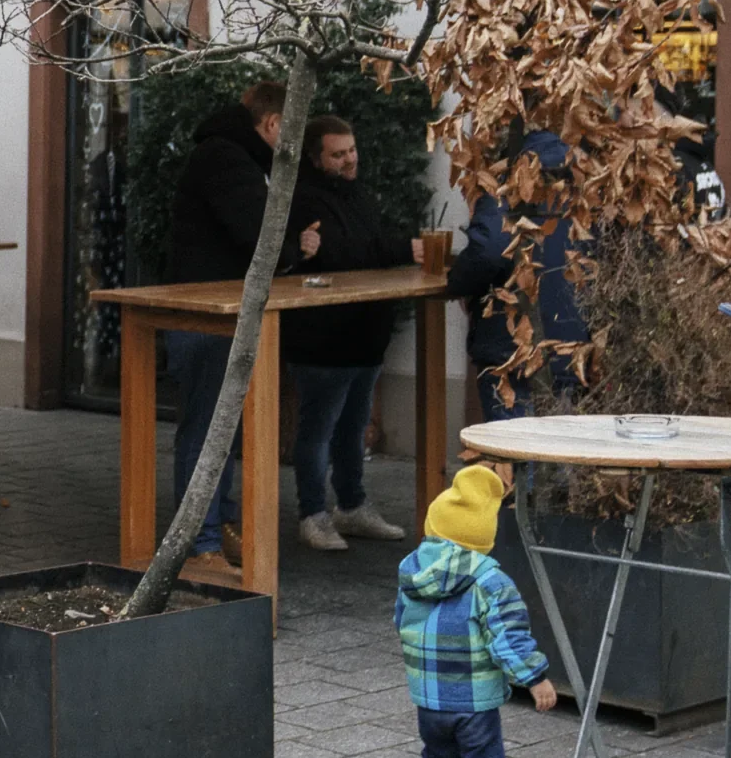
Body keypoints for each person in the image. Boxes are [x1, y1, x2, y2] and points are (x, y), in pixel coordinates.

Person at [163, 81, 317, 560]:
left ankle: (216, 528)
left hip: (218, 308)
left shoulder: (231, 156)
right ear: (272, 124)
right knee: (208, 427)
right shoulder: (229, 158)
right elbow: (257, 233)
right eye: (290, 131)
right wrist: (295, 250)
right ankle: (199, 543)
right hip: (205, 313)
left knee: (219, 427)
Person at [396, 465, 558, 758]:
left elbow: (399, 621)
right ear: (483, 536)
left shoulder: (413, 571)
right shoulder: (490, 581)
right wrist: (535, 677)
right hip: (473, 698)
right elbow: (509, 636)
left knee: (437, 753)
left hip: (428, 695)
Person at [285, 115, 417, 553]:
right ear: (316, 158)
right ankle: (313, 514)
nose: (349, 160)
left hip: (363, 334)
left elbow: (368, 246)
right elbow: (344, 255)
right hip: (323, 339)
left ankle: (352, 505)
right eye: (338, 154)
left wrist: (398, 249)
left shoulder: (357, 194)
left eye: (352, 150)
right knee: (318, 429)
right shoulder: (304, 199)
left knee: (353, 427)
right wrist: (403, 249)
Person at [448, 131, 586, 421]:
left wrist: (458, 283)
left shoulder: (508, 191)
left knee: (513, 454)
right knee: (560, 454)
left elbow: (487, 251)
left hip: (510, 349)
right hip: (569, 346)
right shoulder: (581, 189)